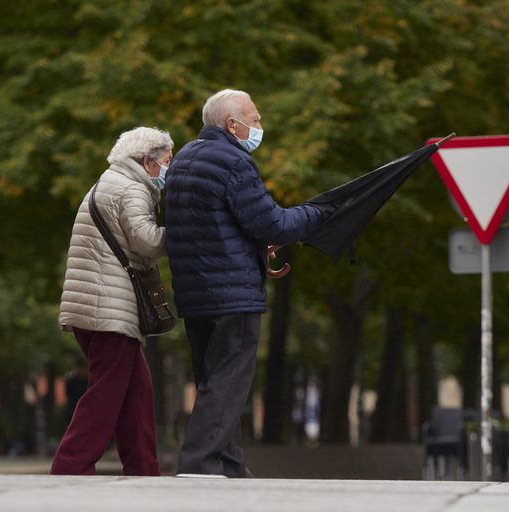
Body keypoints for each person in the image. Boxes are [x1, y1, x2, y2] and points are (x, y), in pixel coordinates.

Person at [165, 89, 323, 477]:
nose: (260, 127)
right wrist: (316, 214)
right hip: (232, 292)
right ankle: (199, 465)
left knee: (213, 380)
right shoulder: (234, 162)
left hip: (194, 292)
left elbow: (211, 224)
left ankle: (231, 466)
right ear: (231, 124)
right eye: (255, 120)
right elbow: (272, 224)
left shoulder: (183, 159)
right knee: (229, 382)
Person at [51, 126, 173, 476]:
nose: (168, 169)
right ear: (146, 161)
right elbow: (147, 242)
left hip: (95, 306)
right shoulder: (131, 188)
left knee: (136, 394)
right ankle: (70, 467)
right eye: (166, 161)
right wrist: (182, 231)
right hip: (108, 309)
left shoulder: (109, 182)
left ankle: (143, 469)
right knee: (105, 396)